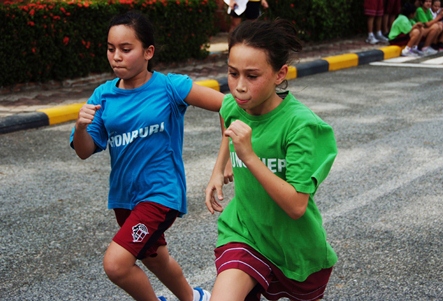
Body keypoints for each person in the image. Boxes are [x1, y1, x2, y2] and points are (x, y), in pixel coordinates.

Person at [70, 10, 225, 301]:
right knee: (155, 258)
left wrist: (223, 163)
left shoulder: (169, 87)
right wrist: (81, 126)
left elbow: (228, 107)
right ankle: (194, 298)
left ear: (148, 51)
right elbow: (83, 151)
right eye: (111, 48)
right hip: (124, 198)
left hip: (160, 194)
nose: (116, 56)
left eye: (126, 49)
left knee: (116, 265)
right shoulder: (103, 96)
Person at [205, 19, 338, 301]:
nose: (239, 86)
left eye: (252, 76)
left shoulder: (301, 127)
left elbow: (296, 206)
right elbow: (226, 119)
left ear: (280, 74)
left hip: (295, 247)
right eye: (232, 73)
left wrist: (249, 157)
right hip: (244, 233)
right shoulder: (233, 104)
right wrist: (221, 167)